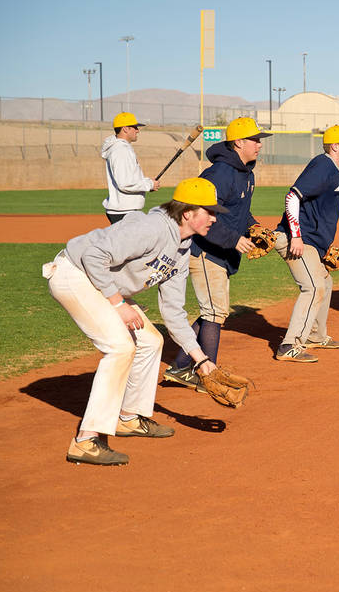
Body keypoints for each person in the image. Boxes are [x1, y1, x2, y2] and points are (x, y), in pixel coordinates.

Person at [45, 178, 225, 466]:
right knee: (120, 348)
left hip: (99, 282)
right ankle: (86, 440)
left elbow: (174, 311)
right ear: (188, 213)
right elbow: (93, 255)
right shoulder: (151, 228)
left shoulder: (182, 248)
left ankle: (128, 417)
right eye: (209, 211)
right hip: (73, 274)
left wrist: (201, 360)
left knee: (152, 341)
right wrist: (118, 304)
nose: (214, 218)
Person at [164, 117, 271, 387]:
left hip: (220, 250)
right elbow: (199, 214)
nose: (259, 144)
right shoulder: (220, 173)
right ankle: (206, 376)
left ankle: (180, 367)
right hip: (204, 250)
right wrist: (234, 239)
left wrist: (253, 227)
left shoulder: (246, 172)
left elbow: (239, 211)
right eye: (255, 139)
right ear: (238, 143)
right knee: (214, 312)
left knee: (214, 310)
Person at [271, 125, 339, 362]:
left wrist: (324, 244)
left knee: (326, 282)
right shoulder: (323, 165)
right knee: (313, 287)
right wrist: (296, 235)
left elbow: (322, 212)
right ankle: (290, 344)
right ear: (335, 146)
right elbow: (292, 197)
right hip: (296, 239)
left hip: (312, 241)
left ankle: (315, 335)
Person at [102, 112, 159, 223]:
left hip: (124, 210)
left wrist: (147, 183)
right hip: (124, 212)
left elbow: (128, 179)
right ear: (125, 129)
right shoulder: (121, 150)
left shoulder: (120, 148)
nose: (137, 130)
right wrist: (149, 184)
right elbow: (125, 183)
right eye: (135, 127)